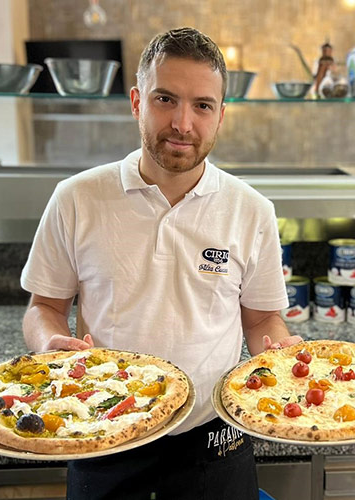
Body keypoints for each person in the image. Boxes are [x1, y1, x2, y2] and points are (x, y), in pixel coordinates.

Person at [20, 27, 302, 500]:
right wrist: (49, 341)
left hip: (215, 434)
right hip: (101, 425)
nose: (183, 123)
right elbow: (43, 305)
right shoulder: (76, 198)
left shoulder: (251, 210)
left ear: (221, 116)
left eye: (202, 106)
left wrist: (283, 356)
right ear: (136, 102)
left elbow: (260, 319)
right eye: (165, 99)